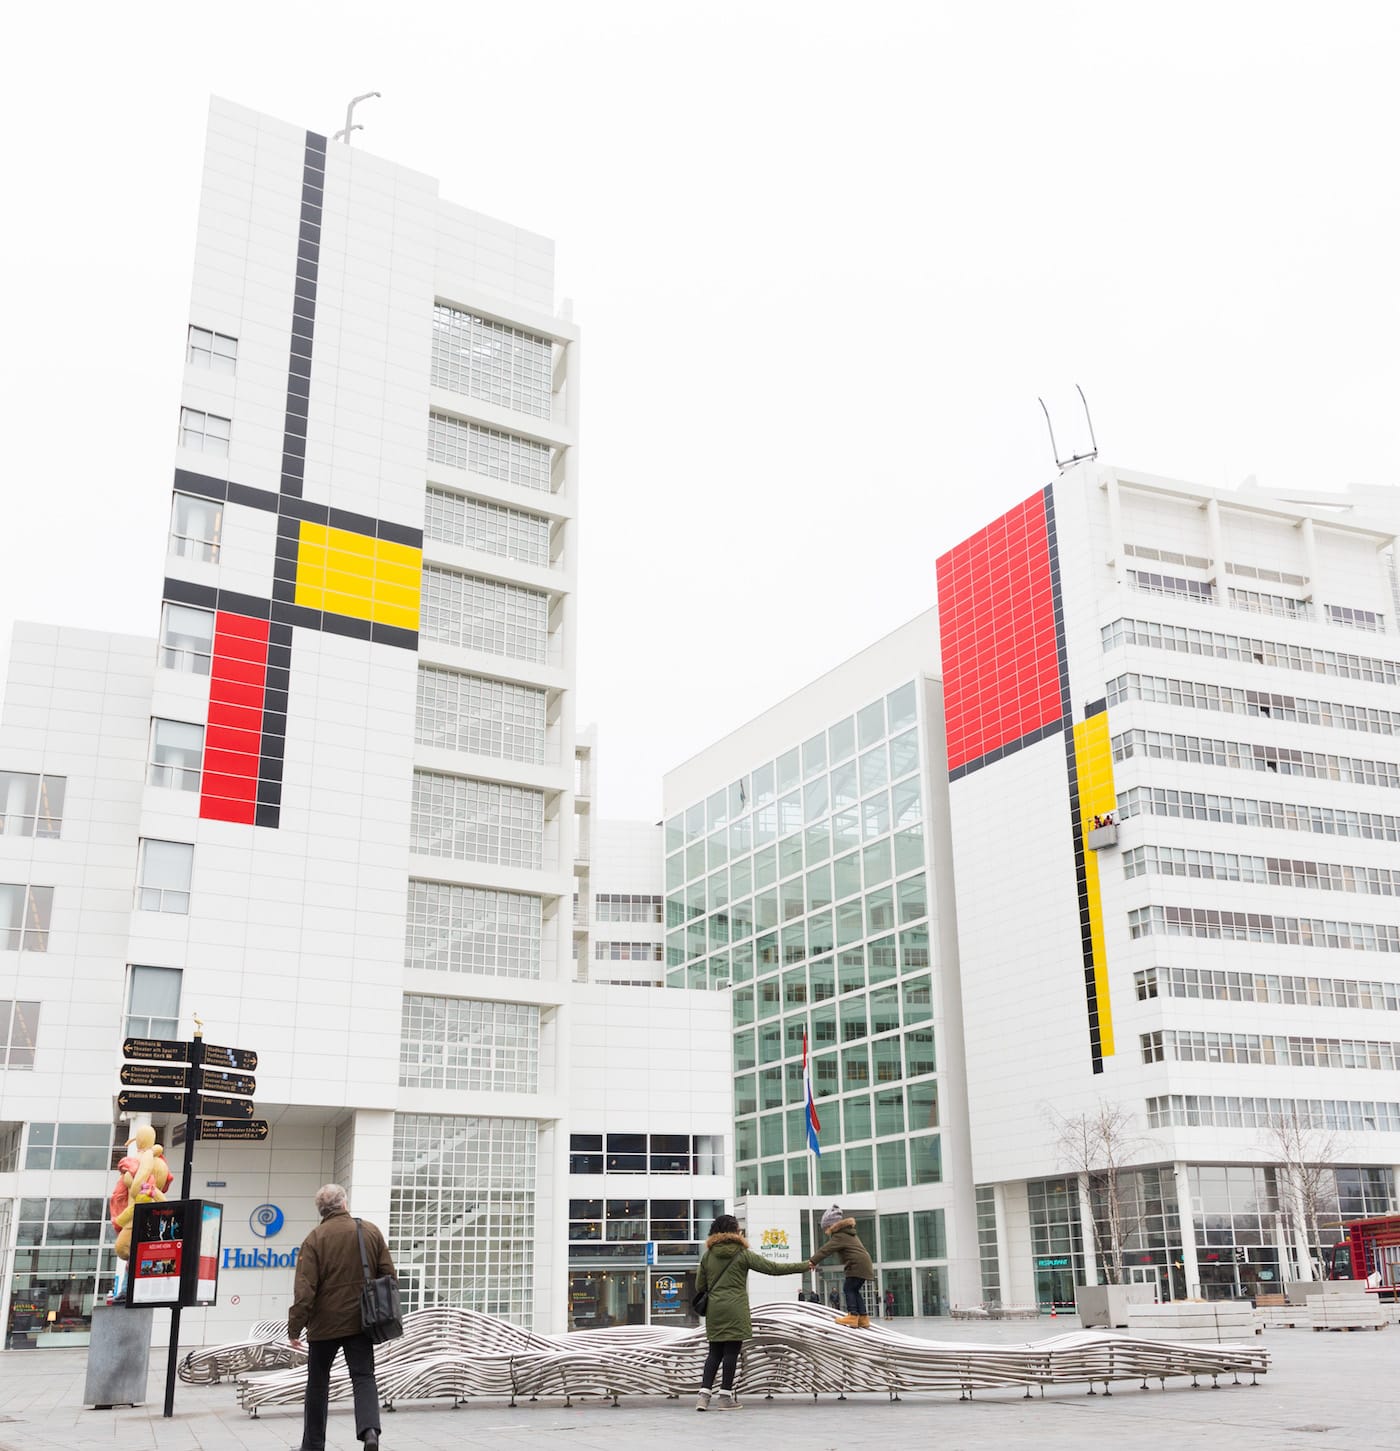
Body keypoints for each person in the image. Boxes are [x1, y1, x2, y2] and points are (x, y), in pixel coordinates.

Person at [288, 1184, 397, 1451]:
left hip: (323, 1326)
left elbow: (305, 1291)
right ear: (344, 1204)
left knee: (317, 1384)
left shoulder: (314, 1239)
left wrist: (294, 1329)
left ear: (321, 1210)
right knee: (363, 1377)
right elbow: (389, 1275)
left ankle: (313, 1445)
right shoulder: (369, 1231)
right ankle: (370, 1432)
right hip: (361, 1322)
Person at [694, 1213, 808, 1411]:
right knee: (731, 1353)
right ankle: (725, 1398)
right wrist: (804, 1266)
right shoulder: (743, 1254)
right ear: (735, 1231)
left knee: (714, 1353)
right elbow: (773, 1268)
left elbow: (699, 1286)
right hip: (736, 1309)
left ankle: (703, 1397)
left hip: (715, 1309)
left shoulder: (708, 1256)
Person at [809, 1205, 876, 1327]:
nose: (825, 1231)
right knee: (854, 1290)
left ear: (832, 1225)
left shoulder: (839, 1235)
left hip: (856, 1264)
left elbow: (826, 1249)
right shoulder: (848, 1233)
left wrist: (813, 1261)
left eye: (826, 1228)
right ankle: (863, 1317)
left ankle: (853, 1315)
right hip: (864, 1264)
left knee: (848, 1288)